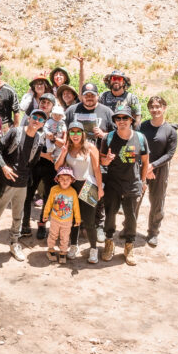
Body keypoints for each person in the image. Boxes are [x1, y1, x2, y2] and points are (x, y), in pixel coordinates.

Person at [0, 109, 46, 262]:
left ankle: (14, 242)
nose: (36, 120)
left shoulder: (39, 140)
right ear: (29, 118)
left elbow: (33, 162)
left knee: (18, 215)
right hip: (5, 181)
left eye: (40, 119)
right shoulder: (15, 132)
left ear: (43, 124)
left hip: (22, 183)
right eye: (34, 117)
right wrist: (4, 167)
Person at [64, 83, 115, 243]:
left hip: (99, 160)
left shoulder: (106, 112)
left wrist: (105, 134)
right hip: (76, 161)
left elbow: (117, 134)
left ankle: (96, 225)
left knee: (97, 195)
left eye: (92, 95)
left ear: (97, 96)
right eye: (86, 95)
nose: (89, 98)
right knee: (74, 195)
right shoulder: (72, 110)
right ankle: (76, 226)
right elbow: (64, 131)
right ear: (81, 96)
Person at [101, 106, 151, 266]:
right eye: (118, 118)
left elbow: (145, 162)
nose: (121, 121)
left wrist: (143, 182)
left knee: (131, 217)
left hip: (132, 183)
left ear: (131, 120)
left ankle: (129, 245)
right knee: (110, 214)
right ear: (115, 121)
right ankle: (109, 242)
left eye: (125, 118)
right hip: (113, 184)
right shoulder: (107, 138)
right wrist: (107, 160)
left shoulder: (140, 138)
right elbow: (102, 161)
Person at [55, 121, 104, 263]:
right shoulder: (67, 148)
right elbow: (57, 167)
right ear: (69, 134)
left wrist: (100, 188)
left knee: (89, 220)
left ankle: (93, 248)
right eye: (72, 132)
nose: (75, 135)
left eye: (78, 132)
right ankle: (74, 245)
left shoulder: (90, 148)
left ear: (82, 134)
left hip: (89, 185)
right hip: (72, 186)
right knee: (74, 219)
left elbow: (97, 170)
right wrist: (63, 152)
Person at [138, 96, 178, 247]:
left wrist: (152, 166)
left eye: (157, 107)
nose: (155, 110)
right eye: (152, 107)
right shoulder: (143, 127)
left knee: (157, 202)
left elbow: (169, 154)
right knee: (134, 198)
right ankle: (129, 228)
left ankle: (153, 232)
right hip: (141, 167)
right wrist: (145, 167)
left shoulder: (170, 131)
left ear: (164, 108)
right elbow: (137, 145)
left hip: (159, 170)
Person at [20, 93, 60, 240]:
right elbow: (26, 144)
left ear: (52, 106)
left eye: (48, 103)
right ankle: (25, 224)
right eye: (42, 101)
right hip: (34, 164)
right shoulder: (34, 118)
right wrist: (44, 155)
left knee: (48, 196)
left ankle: (42, 224)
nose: (44, 104)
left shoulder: (58, 120)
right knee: (28, 195)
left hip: (51, 165)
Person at [43, 167, 81, 264]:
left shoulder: (73, 192)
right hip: (55, 219)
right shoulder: (54, 190)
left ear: (72, 180)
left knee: (65, 237)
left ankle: (63, 252)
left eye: (67, 179)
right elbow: (49, 203)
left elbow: (76, 206)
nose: (65, 181)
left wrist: (77, 218)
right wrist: (45, 213)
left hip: (67, 221)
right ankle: (50, 250)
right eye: (62, 179)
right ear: (58, 179)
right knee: (53, 235)